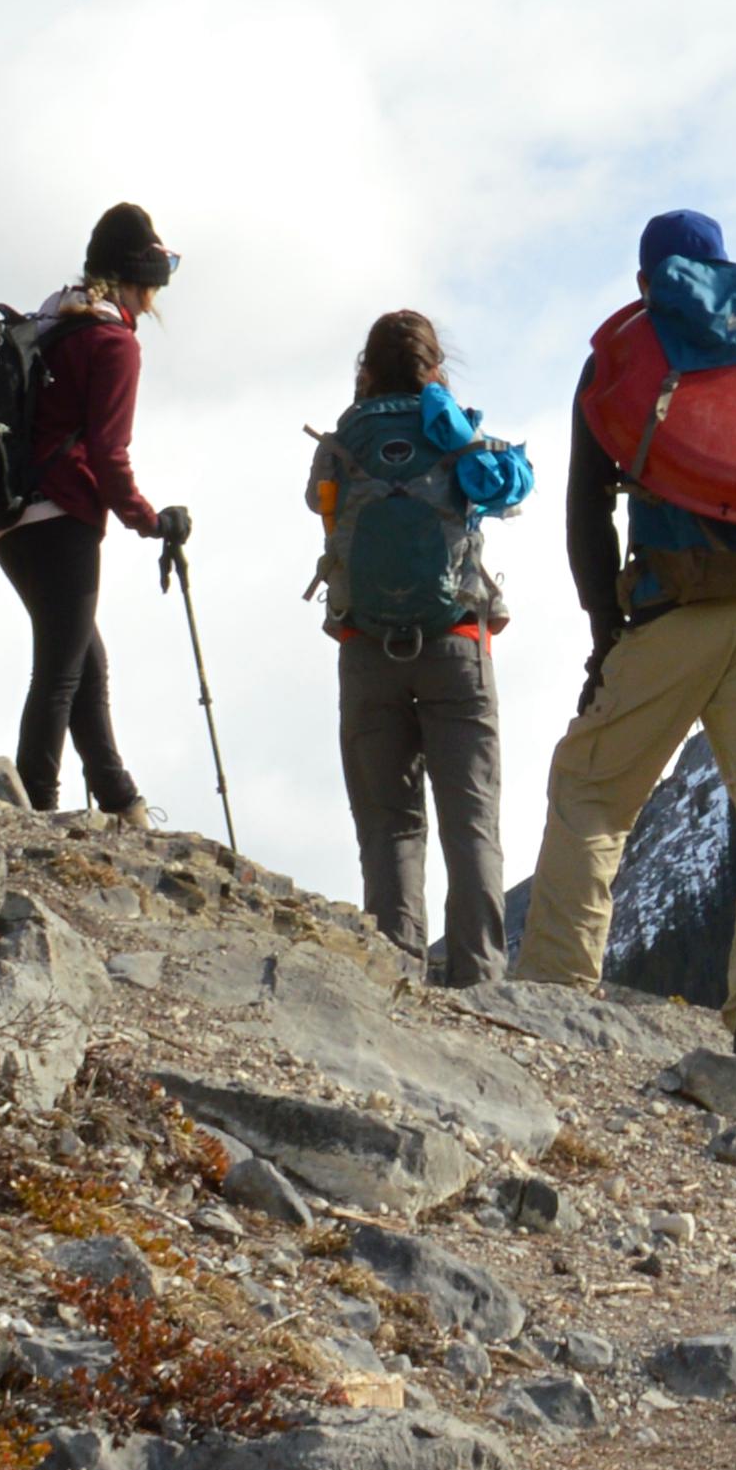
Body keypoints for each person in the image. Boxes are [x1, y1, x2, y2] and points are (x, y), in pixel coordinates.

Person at [511, 209, 736, 1057]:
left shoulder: (628, 355)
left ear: (645, 281)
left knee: (591, 794)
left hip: (671, 614)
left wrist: (604, 631)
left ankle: (553, 984)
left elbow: (588, 514)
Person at [309, 305, 525, 985]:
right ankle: (480, 978)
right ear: (437, 370)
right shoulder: (458, 438)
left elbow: (320, 509)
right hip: (456, 646)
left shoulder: (340, 441)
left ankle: (397, 976)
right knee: (472, 823)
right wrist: (452, 427)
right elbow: (511, 492)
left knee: (390, 826)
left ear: (365, 371)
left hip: (366, 649)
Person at [0, 202, 191, 822]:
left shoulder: (52, 322)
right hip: (60, 512)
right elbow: (109, 453)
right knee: (59, 670)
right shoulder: (112, 344)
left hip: (5, 516)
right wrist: (148, 518)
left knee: (82, 660)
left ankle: (118, 798)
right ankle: (37, 811)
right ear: (142, 282)